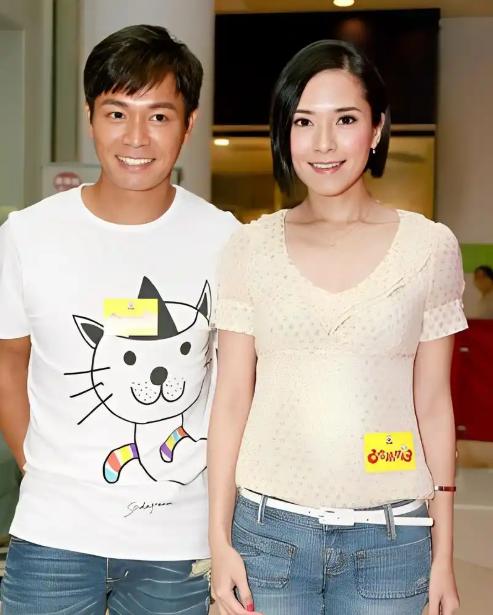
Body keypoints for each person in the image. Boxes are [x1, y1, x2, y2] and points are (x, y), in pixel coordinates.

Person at [208, 40, 466, 615]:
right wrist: (218, 541)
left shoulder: (429, 248)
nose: (323, 143)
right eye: (304, 121)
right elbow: (230, 399)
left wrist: (444, 554)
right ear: (284, 133)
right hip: (267, 538)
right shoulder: (248, 248)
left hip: (392, 541)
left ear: (376, 130)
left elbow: (433, 405)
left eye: (345, 120)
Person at [0, 24, 237, 614]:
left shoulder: (227, 240)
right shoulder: (28, 234)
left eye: (158, 116)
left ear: (189, 124)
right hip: (53, 535)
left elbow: (237, 386)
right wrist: (38, 469)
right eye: (116, 113)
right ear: (89, 117)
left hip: (179, 543)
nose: (136, 137)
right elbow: (8, 360)